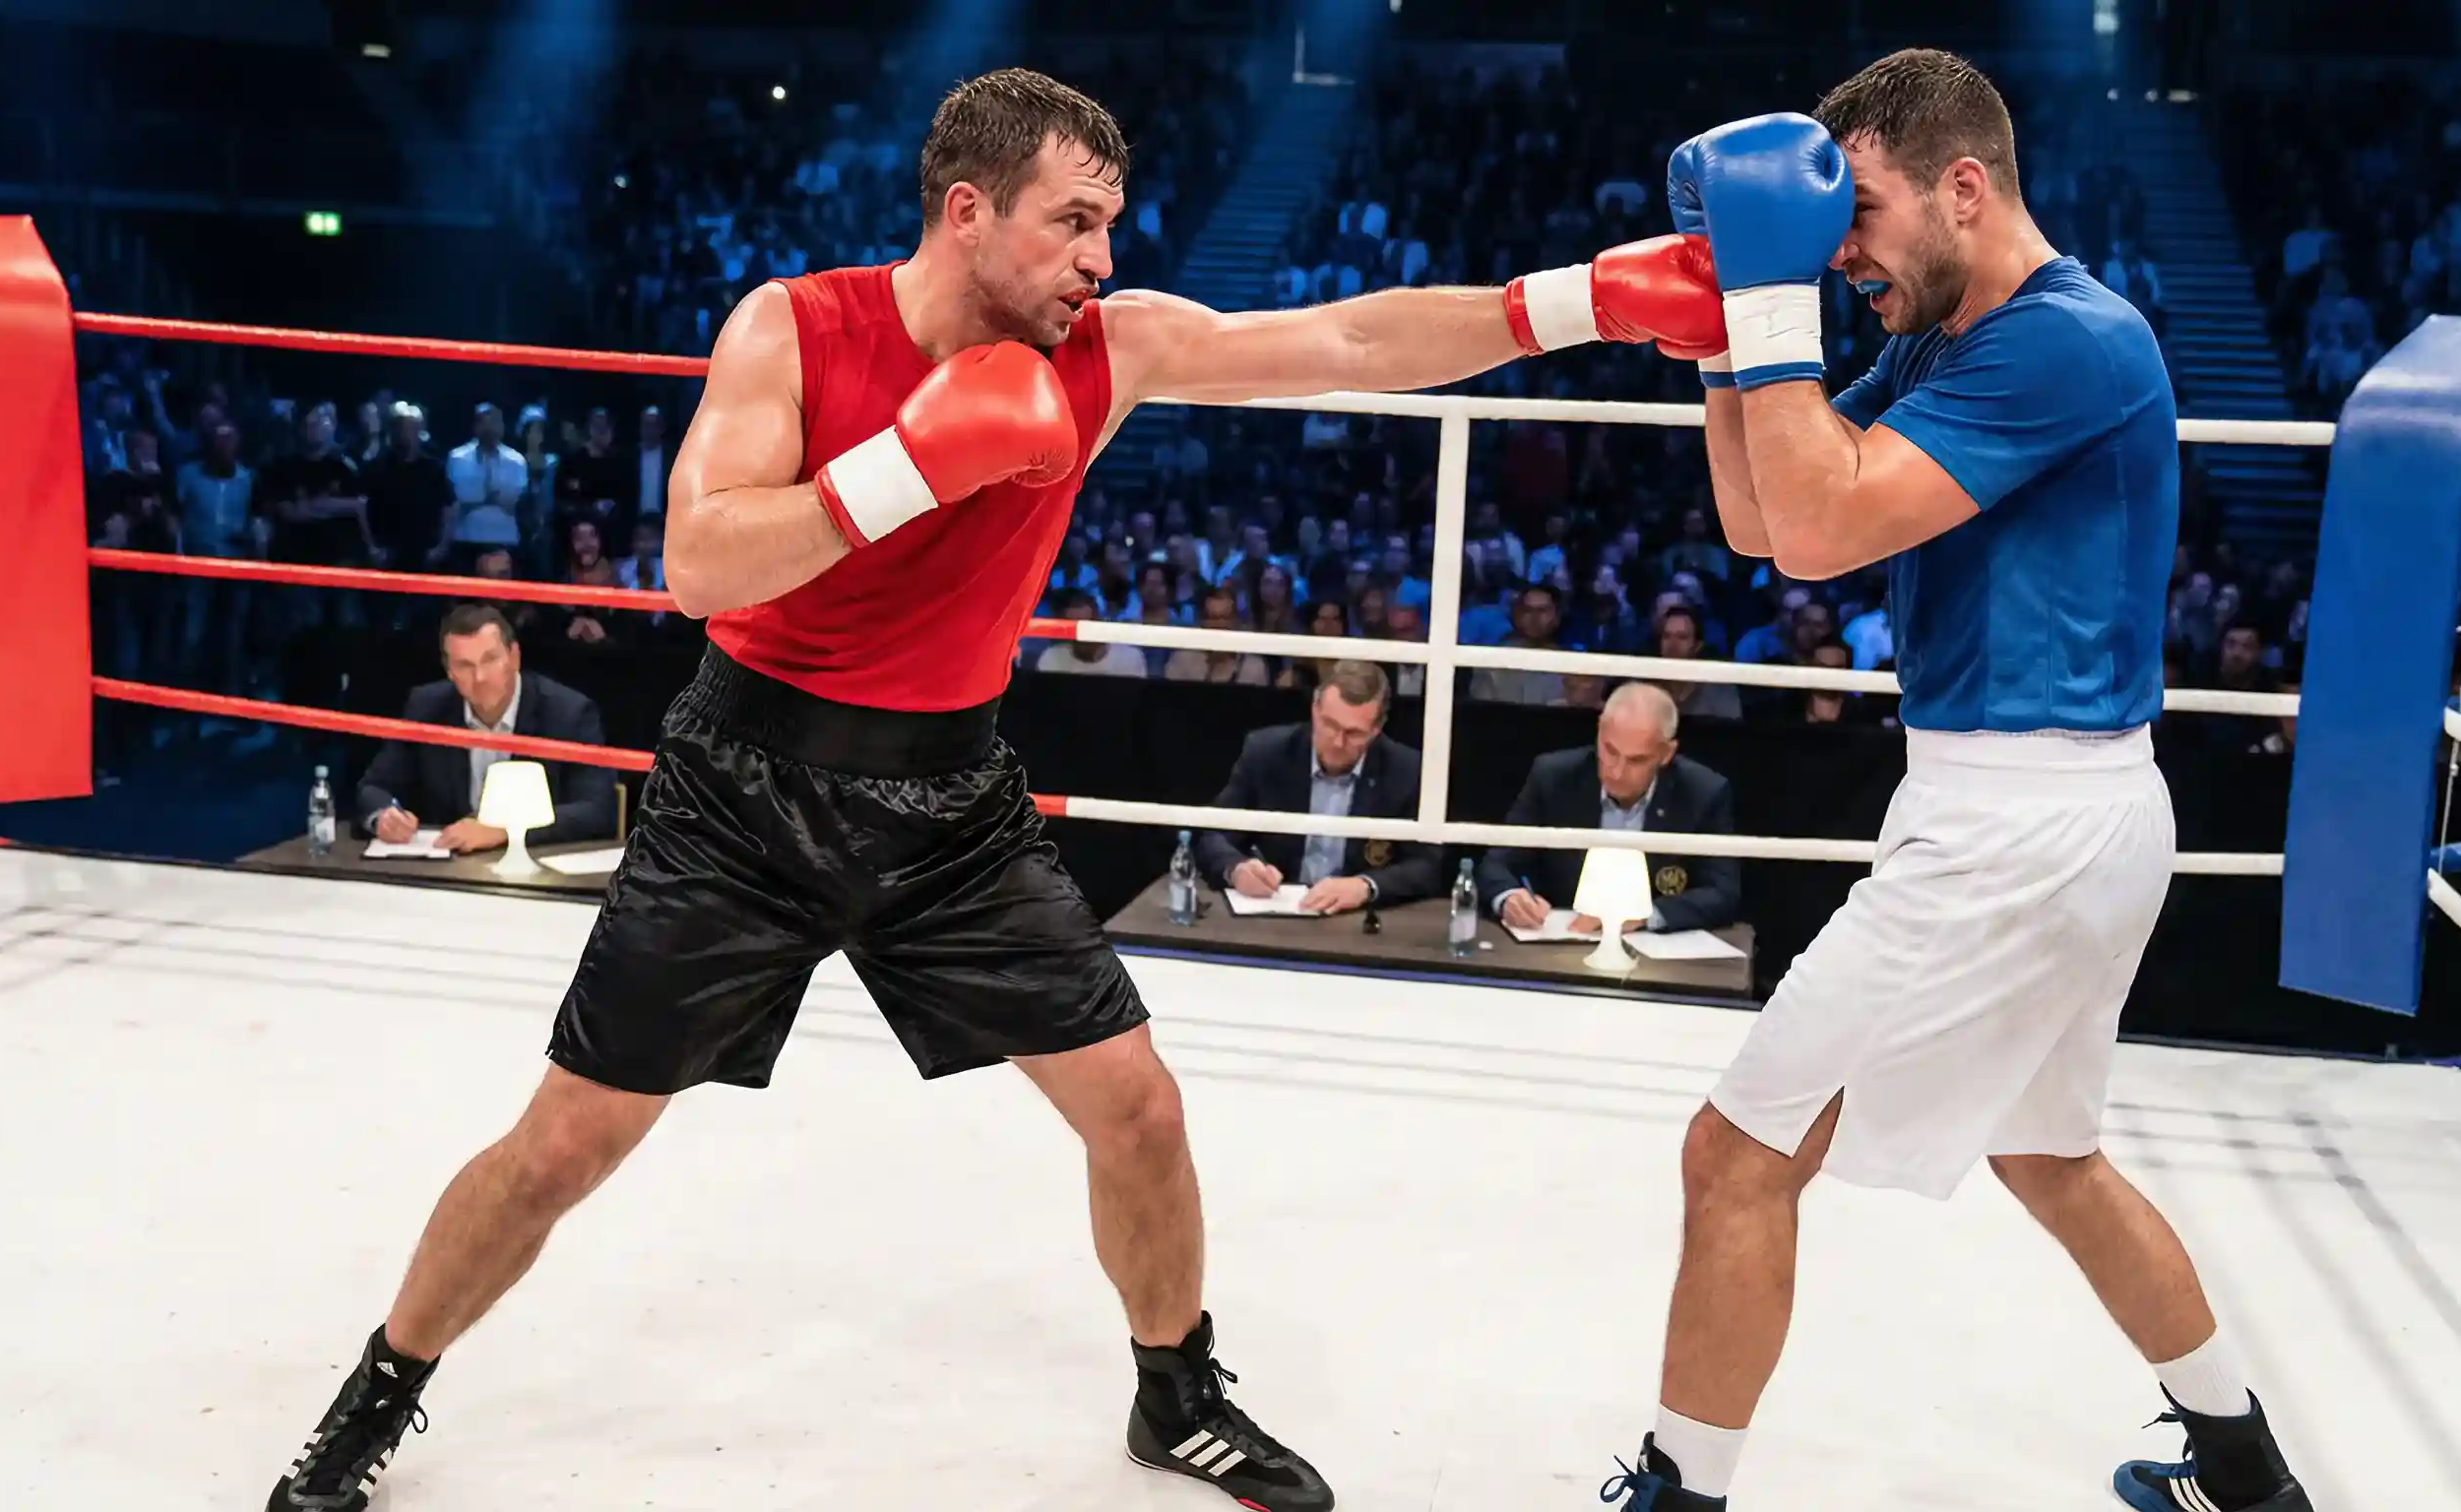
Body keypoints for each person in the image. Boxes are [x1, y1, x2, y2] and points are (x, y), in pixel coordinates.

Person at [266, 65, 1726, 1512]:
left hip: (947, 795)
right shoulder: (793, 326)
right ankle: (377, 1391)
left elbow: (1346, 338)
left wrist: (1588, 299)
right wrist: (911, 466)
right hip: (743, 787)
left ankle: (1178, 1394)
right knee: (563, 1146)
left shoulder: (1115, 347)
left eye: (1112, 225)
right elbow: (701, 566)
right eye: (1073, 222)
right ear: (968, 212)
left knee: (1139, 1110)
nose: (1102, 259)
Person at [1606, 51, 2310, 1512]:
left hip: (2019, 823)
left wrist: (1762, 305)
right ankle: (2245, 1472)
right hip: (2049, 808)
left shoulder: (2067, 344)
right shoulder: (1942, 336)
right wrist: (1738, 352)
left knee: (1738, 1156)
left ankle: (1683, 1494)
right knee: (2051, 1154)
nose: (1838, 248)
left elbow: (1819, 522)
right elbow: (1766, 525)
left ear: (1964, 187)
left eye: (1854, 211)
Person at [1481, 682, 1738, 935]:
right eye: (1610, 751)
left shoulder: (1702, 793)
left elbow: (1722, 892)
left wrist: (1644, 915)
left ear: (1666, 753)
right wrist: (1509, 897)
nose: (1617, 771)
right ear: (1599, 730)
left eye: (1637, 760)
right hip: (1565, 942)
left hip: (1651, 954)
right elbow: (1496, 864)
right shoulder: (1553, 777)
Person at [354, 604, 616, 853]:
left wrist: (504, 829)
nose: (479, 678)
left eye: (490, 660)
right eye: (464, 666)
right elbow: (373, 788)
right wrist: (384, 817)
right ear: (449, 671)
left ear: (514, 657)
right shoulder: (426, 707)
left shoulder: (568, 713)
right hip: (445, 871)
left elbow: (598, 809)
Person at [1191, 660, 1439, 913]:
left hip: (1355, 919)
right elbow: (1214, 835)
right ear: (1314, 709)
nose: (1338, 742)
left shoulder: (1406, 769)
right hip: (1276, 910)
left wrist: (1365, 886)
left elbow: (1429, 865)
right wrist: (1237, 869)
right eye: (1329, 725)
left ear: (1376, 729)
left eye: (1354, 733)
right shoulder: (1266, 752)